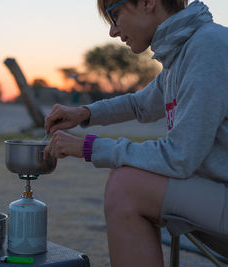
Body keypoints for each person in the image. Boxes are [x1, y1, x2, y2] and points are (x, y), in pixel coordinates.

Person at [43, 0, 228, 266]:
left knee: (126, 187)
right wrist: (84, 113)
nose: (113, 31)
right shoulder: (181, 53)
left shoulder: (208, 48)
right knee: (129, 179)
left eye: (115, 15)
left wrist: (87, 147)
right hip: (215, 195)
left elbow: (178, 157)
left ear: (147, 2)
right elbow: (139, 104)